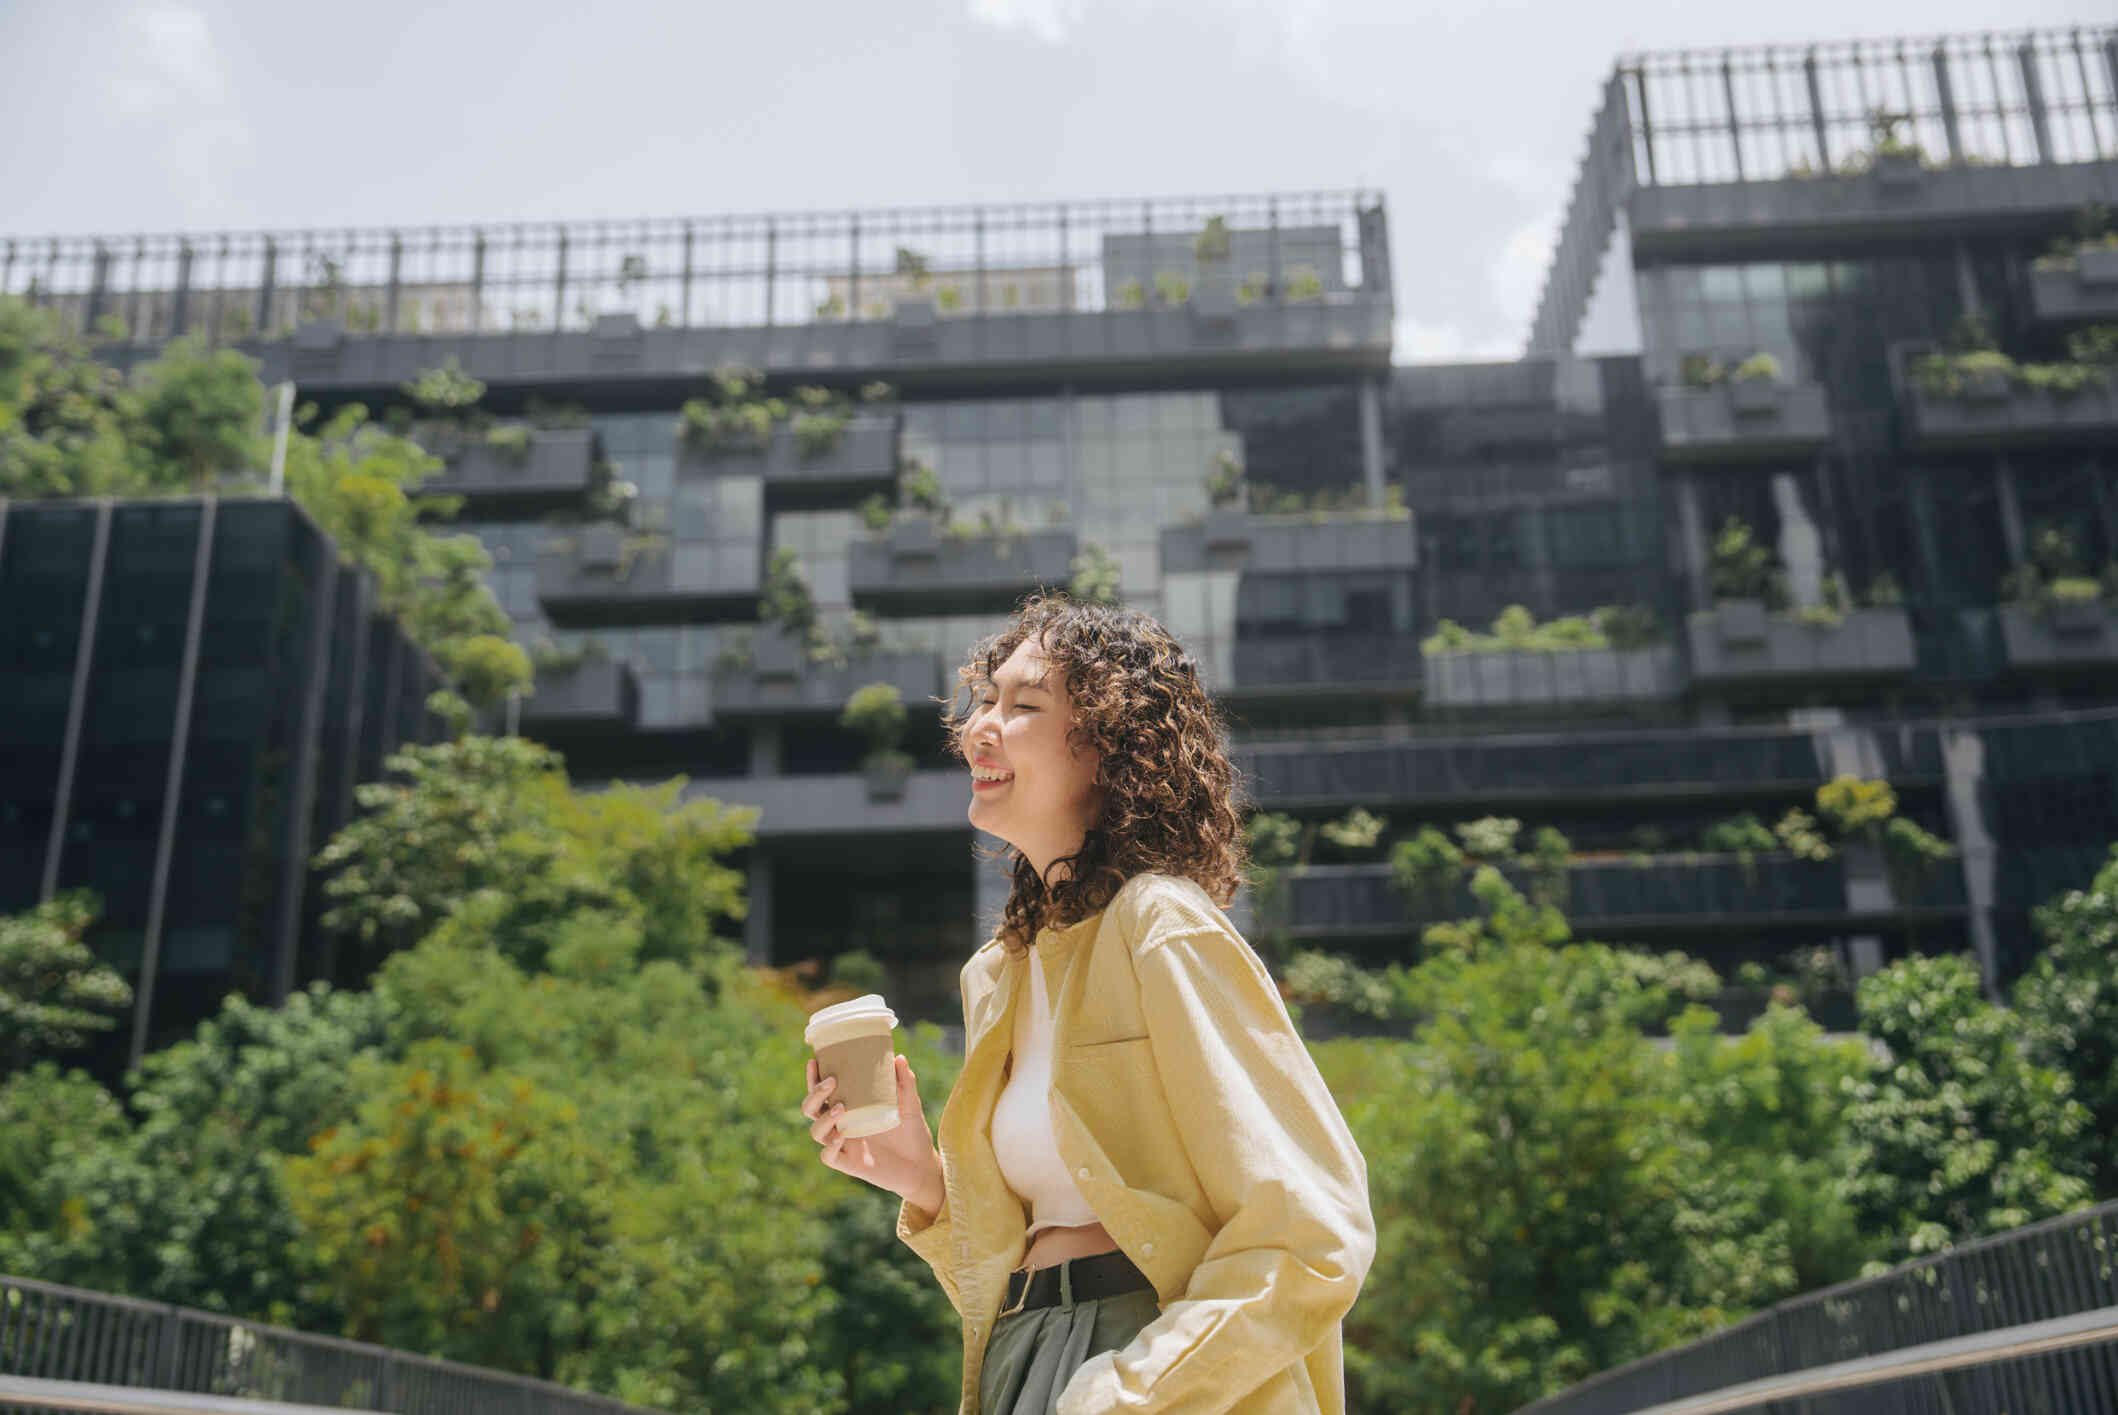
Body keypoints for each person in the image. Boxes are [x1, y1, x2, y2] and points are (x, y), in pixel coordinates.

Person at [801, 593, 1374, 1415]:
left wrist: (1127, 1390)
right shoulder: (997, 974)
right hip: (1019, 1357)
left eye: (1024, 705)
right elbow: (1009, 1269)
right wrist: (922, 1179)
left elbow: (1311, 1229)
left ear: (1111, 749)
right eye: (984, 700)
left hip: (1154, 1367)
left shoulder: (1159, 923)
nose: (978, 728)